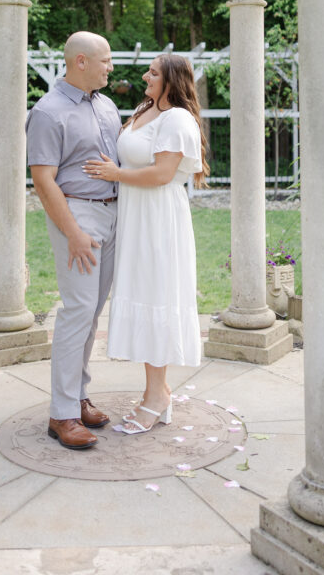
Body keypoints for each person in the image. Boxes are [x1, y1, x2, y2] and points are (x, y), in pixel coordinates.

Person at [83, 53, 208, 434]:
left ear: (171, 79)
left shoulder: (177, 119)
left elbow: (163, 173)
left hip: (159, 220)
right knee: (143, 295)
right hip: (136, 218)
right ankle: (158, 391)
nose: (145, 76)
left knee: (157, 298)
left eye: (153, 73)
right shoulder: (145, 110)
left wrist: (115, 173)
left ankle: (157, 398)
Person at [26, 31, 122, 450]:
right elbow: (42, 180)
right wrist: (74, 233)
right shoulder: (48, 112)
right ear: (80, 61)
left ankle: (78, 396)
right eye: (104, 60)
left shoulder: (107, 106)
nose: (110, 67)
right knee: (77, 311)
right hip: (77, 215)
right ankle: (61, 414)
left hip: (113, 213)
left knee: (92, 311)